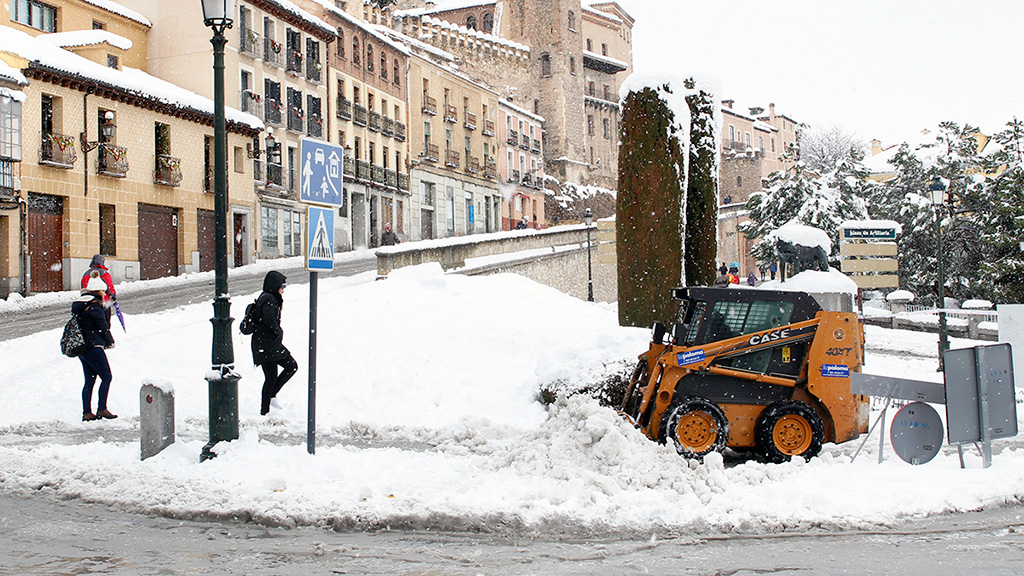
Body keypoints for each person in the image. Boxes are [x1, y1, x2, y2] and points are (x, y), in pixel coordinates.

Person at [251, 271, 297, 416]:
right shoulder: (270, 299)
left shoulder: (266, 297)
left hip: (266, 343)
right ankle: (265, 408)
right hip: (267, 343)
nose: (283, 290)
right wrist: (278, 332)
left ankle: (268, 402)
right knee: (289, 367)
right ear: (274, 285)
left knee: (275, 374)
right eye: (281, 286)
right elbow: (269, 320)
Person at [74, 271, 116, 422]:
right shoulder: (94, 307)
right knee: (107, 377)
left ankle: (87, 412)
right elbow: (103, 326)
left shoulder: (82, 304)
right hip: (93, 346)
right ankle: (102, 408)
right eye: (103, 291)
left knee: (89, 380)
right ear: (99, 291)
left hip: (83, 348)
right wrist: (110, 341)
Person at [81, 254, 116, 323]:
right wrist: (113, 295)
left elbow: (83, 288)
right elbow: (110, 288)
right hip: (104, 302)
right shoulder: (104, 273)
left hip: (88, 303)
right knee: (104, 323)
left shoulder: (86, 274)